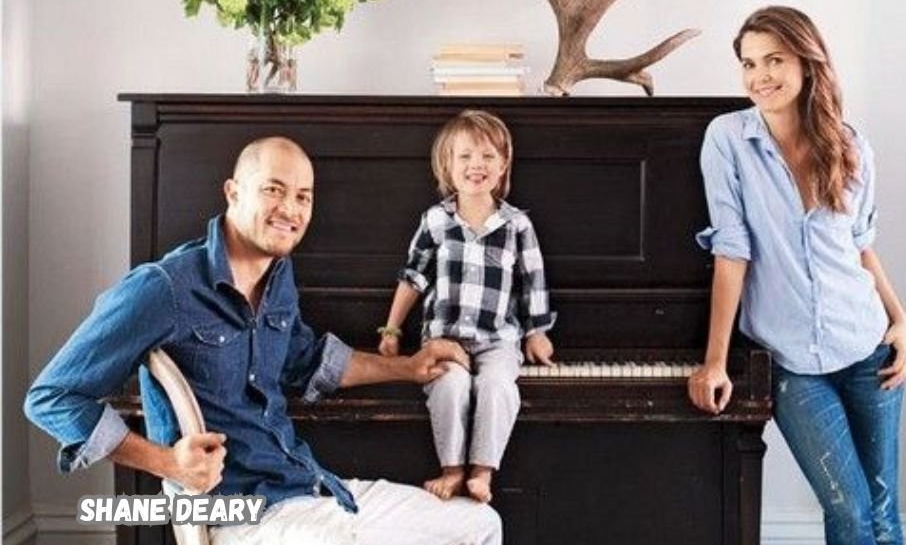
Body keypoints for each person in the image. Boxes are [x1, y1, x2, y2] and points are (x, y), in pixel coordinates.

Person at [24, 136, 502, 544]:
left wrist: (408, 366)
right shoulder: (163, 287)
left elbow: (304, 359)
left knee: (478, 524)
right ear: (233, 193)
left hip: (307, 486)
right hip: (236, 513)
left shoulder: (277, 275)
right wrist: (167, 462)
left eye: (303, 196)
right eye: (274, 190)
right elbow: (51, 397)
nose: (290, 210)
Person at [687, 6, 906, 545]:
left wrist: (901, 320)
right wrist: (714, 361)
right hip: (791, 363)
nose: (760, 76)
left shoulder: (851, 145)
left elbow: (860, 248)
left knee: (884, 511)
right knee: (850, 509)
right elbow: (731, 253)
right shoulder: (728, 140)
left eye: (774, 60)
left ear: (807, 64)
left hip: (867, 345)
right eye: (749, 63)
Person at [377, 110, 556, 503]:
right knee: (450, 385)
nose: (477, 165)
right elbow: (413, 278)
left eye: (488, 156)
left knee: (497, 386)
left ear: (504, 164)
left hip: (497, 339)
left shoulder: (516, 225)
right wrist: (391, 330)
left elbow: (532, 280)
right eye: (465, 156)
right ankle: (452, 468)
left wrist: (536, 331)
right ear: (448, 165)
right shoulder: (436, 221)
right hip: (444, 338)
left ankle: (482, 471)